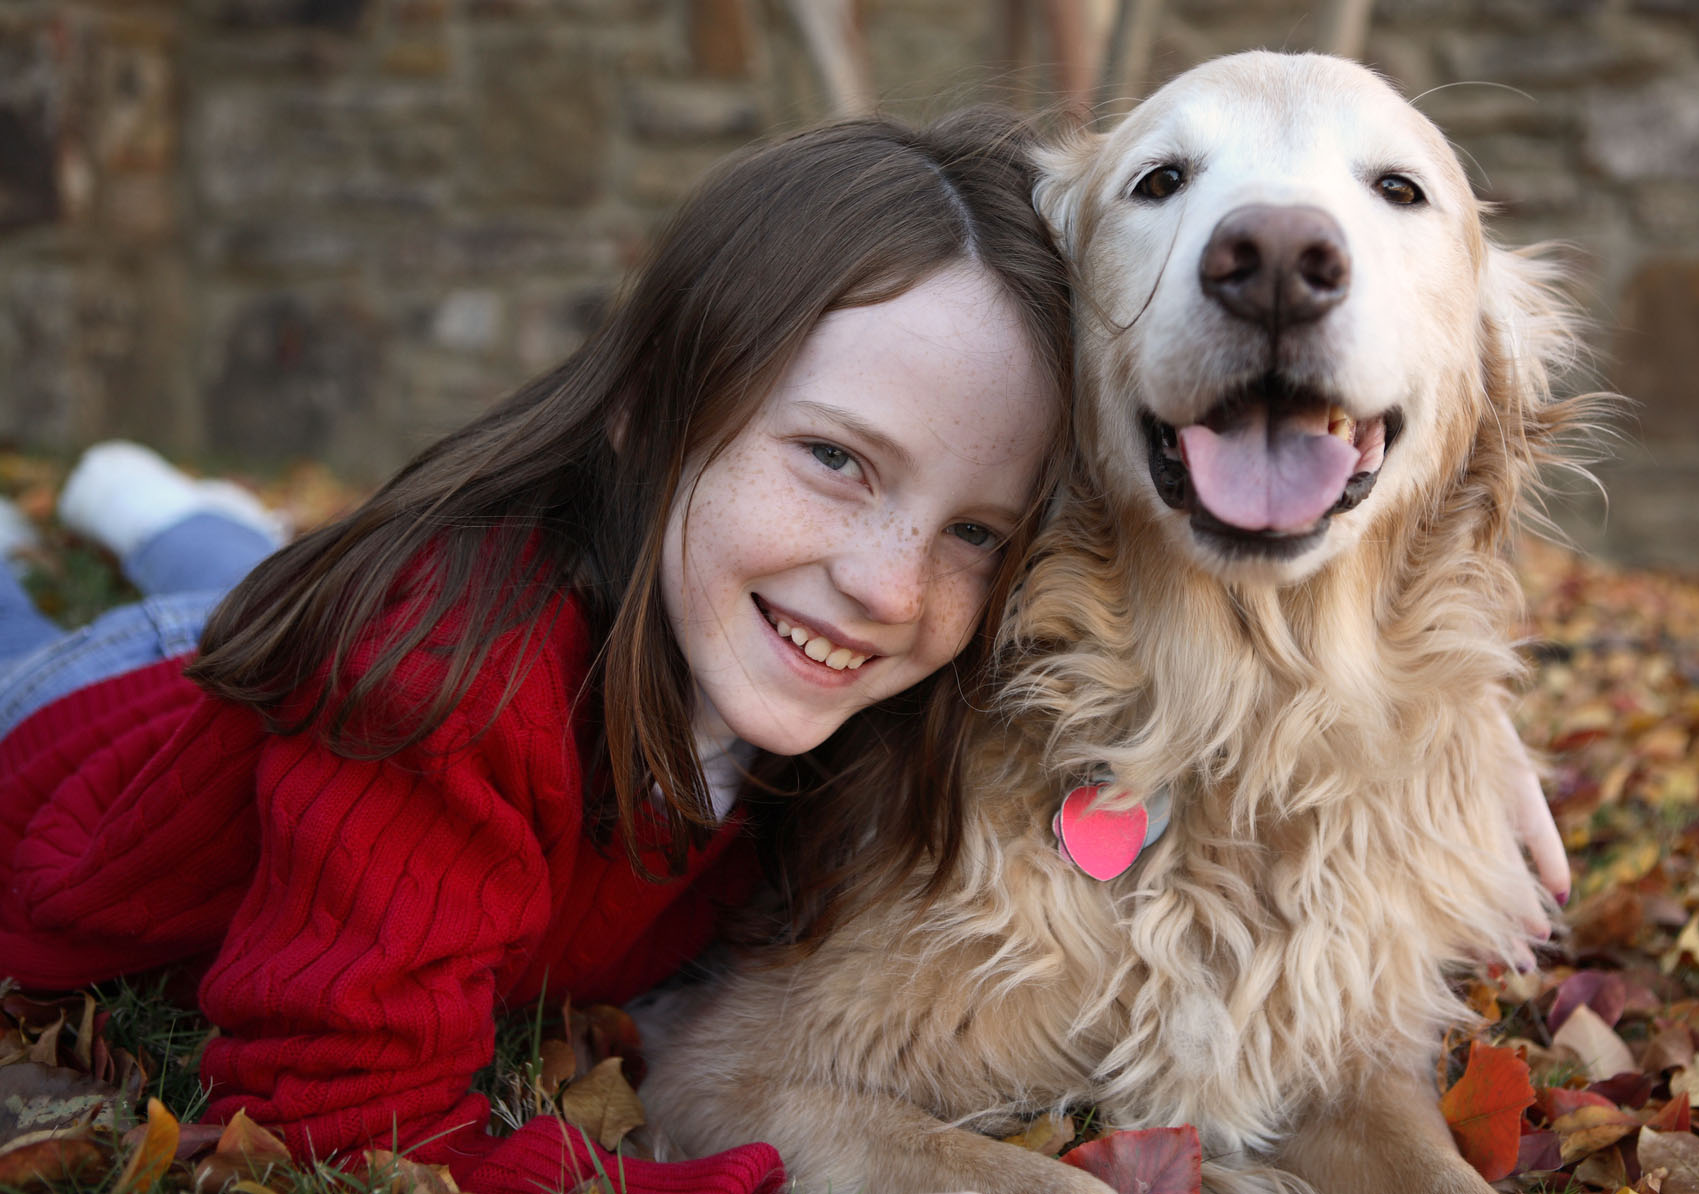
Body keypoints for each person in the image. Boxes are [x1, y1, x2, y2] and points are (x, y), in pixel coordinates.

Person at [0, 108, 1073, 1194]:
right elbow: (335, 1123)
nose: (890, 587)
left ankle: (169, 513)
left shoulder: (842, 691)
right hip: (78, 732)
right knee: (40, 630)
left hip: (312, 663)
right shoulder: (444, 694)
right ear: (649, 401)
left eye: (976, 532)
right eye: (837, 457)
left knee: (243, 578)